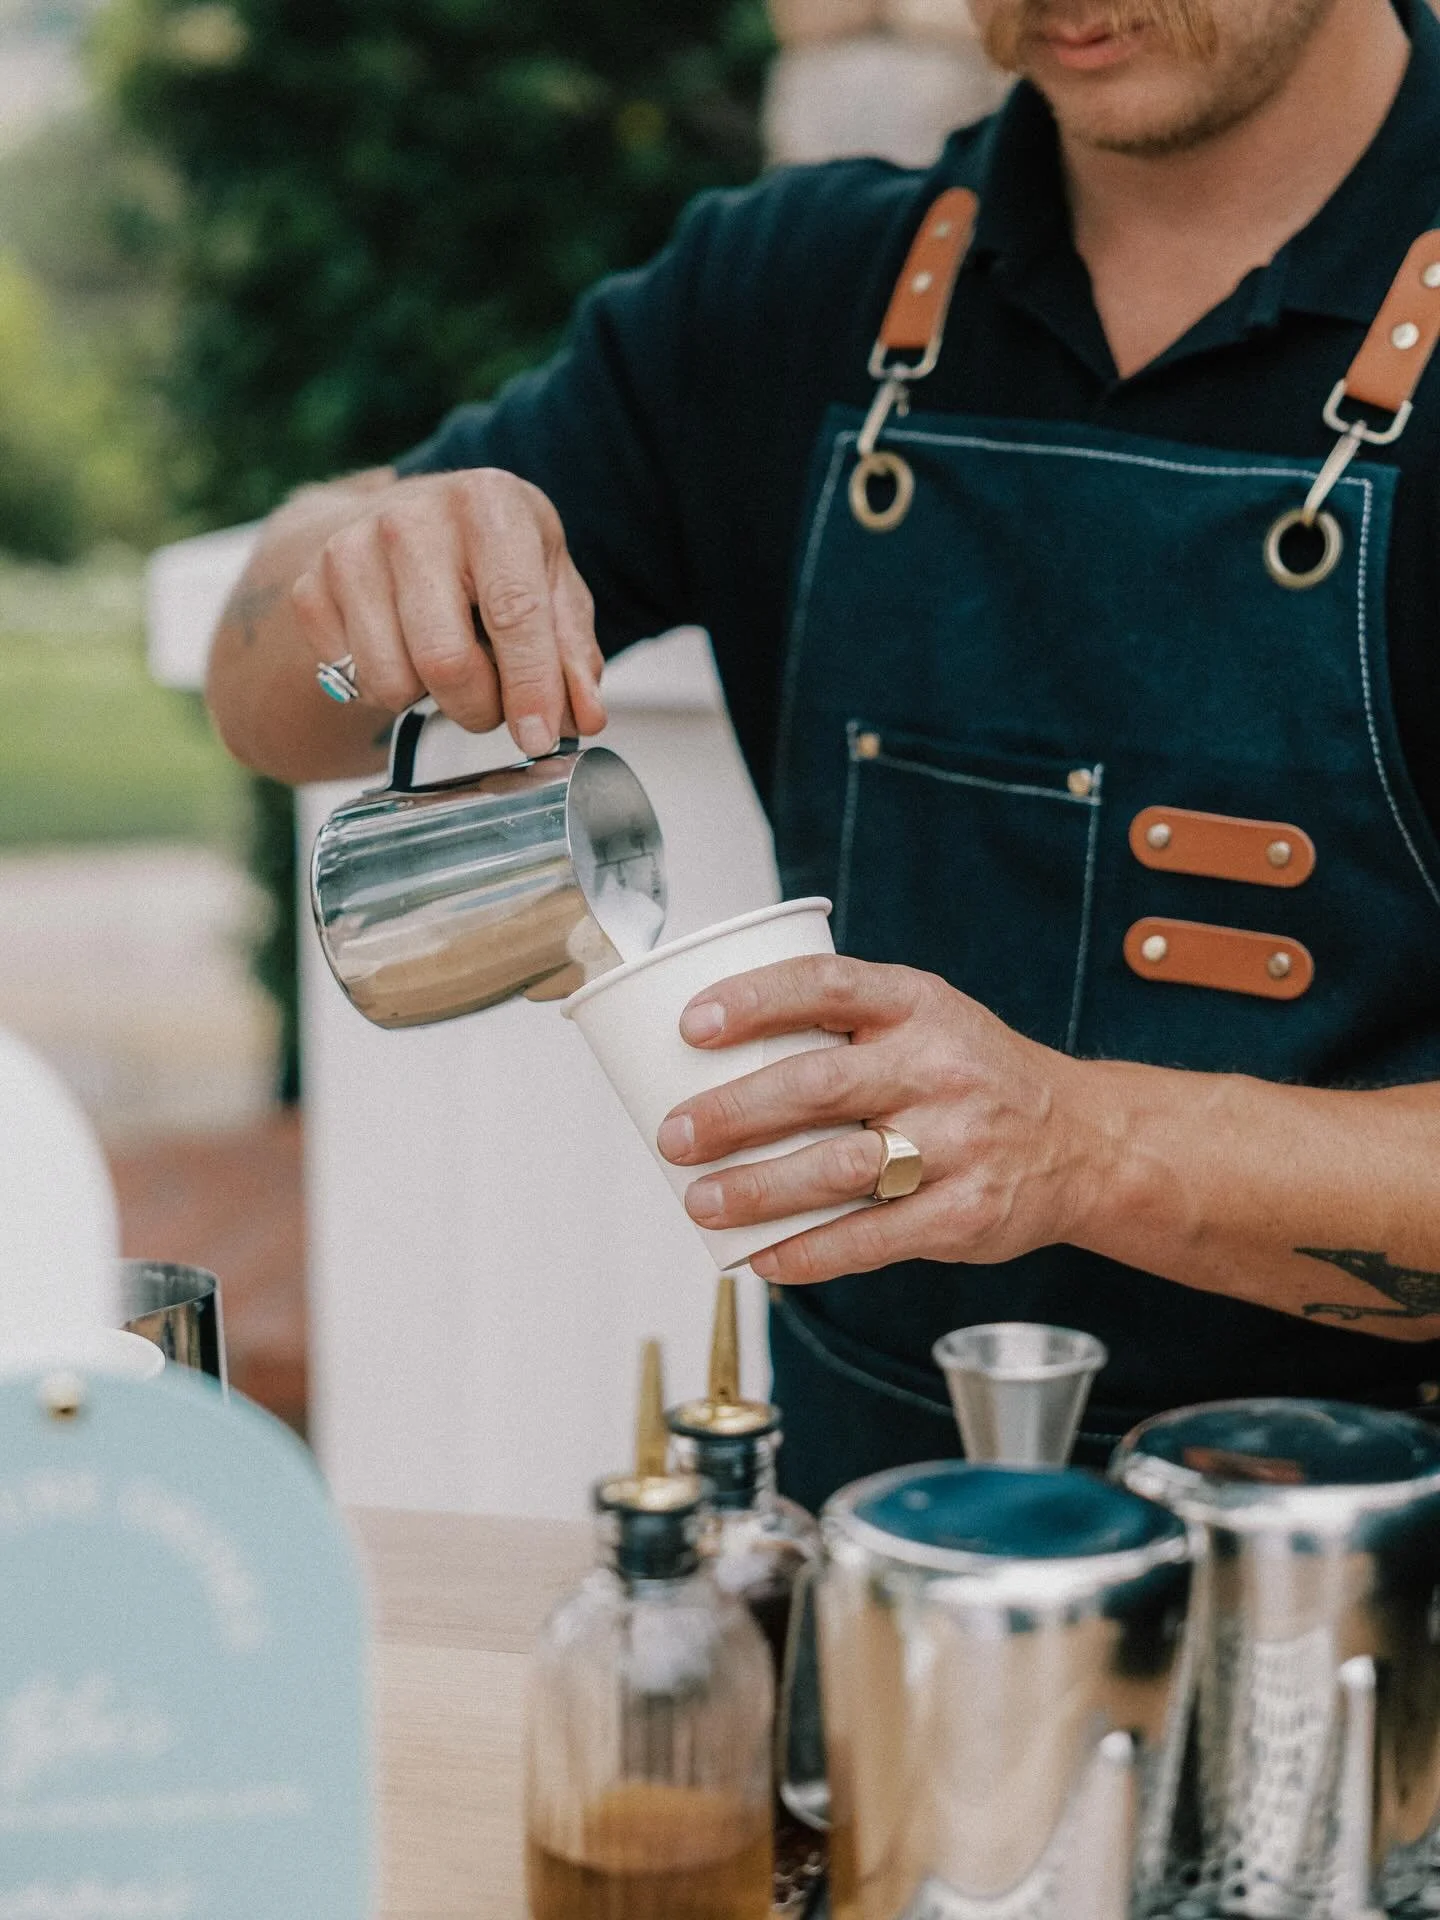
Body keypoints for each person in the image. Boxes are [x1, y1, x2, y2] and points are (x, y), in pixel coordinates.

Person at [209, 0, 1440, 1513]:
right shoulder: (795, 294)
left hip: (1374, 1604)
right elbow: (275, 700)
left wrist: (1082, 1144)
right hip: (864, 1572)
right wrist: (359, 599)